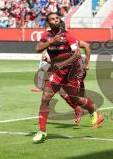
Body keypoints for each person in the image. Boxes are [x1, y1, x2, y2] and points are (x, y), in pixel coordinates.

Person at [32, 13, 104, 143]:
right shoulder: (46, 36)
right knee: (45, 97)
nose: (56, 20)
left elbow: (77, 55)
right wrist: (52, 42)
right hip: (57, 73)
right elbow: (38, 49)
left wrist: (62, 64)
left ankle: (95, 112)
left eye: (57, 18)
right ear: (48, 23)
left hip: (72, 71)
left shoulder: (68, 35)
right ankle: (42, 131)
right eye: (53, 19)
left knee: (76, 99)